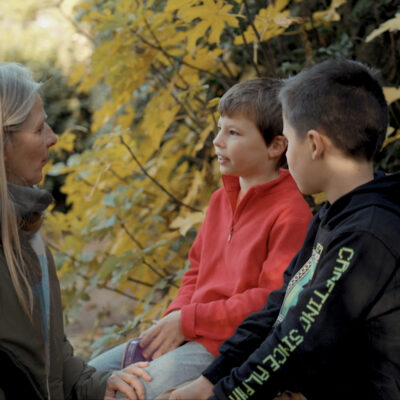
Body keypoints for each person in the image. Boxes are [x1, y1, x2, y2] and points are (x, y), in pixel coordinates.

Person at [165, 58, 400, 400]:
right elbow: (281, 305)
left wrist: (220, 396)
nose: (285, 155)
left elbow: (298, 340)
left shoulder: (367, 234)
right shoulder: (334, 215)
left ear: (315, 145)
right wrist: (210, 379)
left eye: (289, 141)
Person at [89, 78, 313, 399]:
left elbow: (269, 300)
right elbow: (195, 272)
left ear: (275, 146)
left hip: (226, 348)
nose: (217, 141)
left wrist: (190, 320)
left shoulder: (290, 213)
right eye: (219, 129)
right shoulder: (220, 199)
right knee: (89, 379)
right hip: (190, 331)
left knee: (129, 394)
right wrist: (174, 320)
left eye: (233, 133)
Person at [0, 62, 152, 400]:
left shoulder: (28, 236)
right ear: (5, 142)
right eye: (39, 129)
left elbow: (50, 358)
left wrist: (99, 385)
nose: (53, 138)